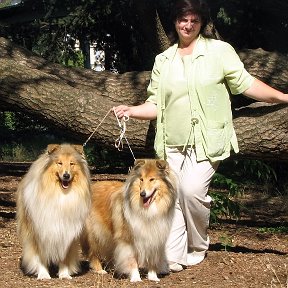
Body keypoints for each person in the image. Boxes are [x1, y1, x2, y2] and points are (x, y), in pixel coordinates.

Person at [113, 0, 288, 272]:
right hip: (171, 142)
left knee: (191, 191)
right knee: (170, 197)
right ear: (175, 21)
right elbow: (155, 104)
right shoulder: (164, 60)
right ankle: (175, 254)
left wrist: (283, 96)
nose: (188, 25)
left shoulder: (219, 52)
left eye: (194, 20)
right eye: (184, 19)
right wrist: (132, 110)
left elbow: (246, 83)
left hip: (209, 140)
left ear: (202, 22)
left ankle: (198, 245)